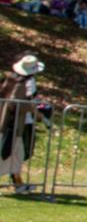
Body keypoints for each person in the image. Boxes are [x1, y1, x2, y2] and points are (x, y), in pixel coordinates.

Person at [1, 55, 45, 193]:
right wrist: (39, 115)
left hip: (6, 121)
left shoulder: (10, 79)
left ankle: (18, 184)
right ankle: (18, 185)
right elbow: (23, 103)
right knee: (13, 153)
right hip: (13, 124)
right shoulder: (26, 82)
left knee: (15, 154)